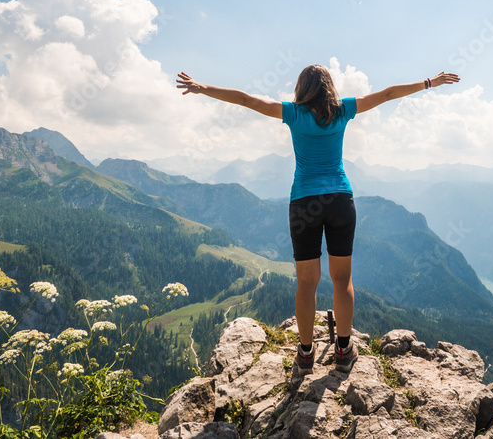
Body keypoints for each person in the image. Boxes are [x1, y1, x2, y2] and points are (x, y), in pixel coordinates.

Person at [176, 65, 460, 372]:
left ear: (302, 88)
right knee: (342, 280)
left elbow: (247, 100)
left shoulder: (294, 114)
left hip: (304, 203)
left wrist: (203, 87)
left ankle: (306, 353)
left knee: (306, 283)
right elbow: (388, 94)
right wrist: (430, 82)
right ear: (329, 87)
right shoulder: (343, 111)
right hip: (340, 199)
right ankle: (343, 349)